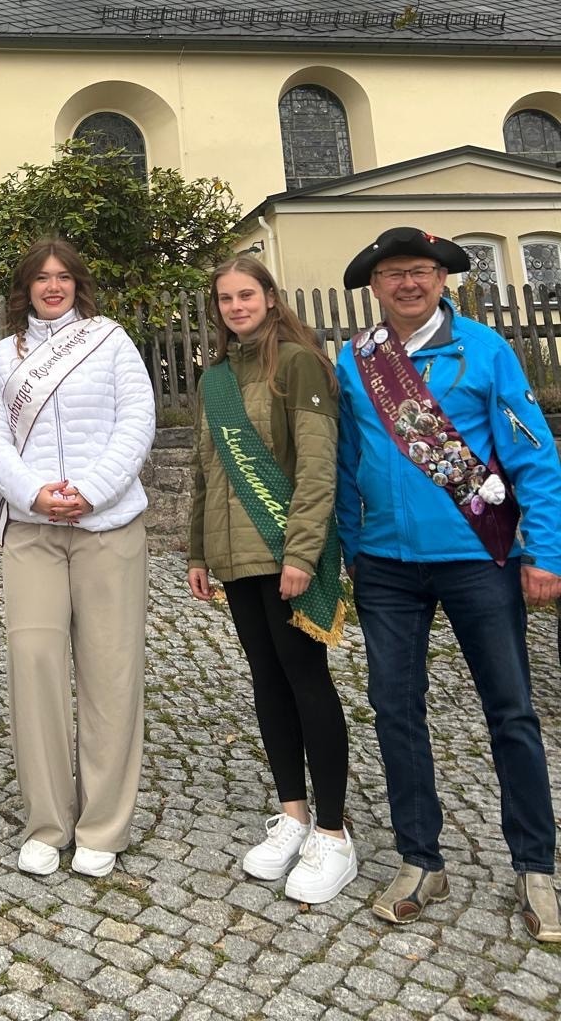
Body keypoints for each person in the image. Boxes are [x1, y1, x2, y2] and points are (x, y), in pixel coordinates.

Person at [337, 226, 561, 940]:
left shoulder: (486, 351)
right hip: (384, 564)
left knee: (511, 710)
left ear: (443, 279)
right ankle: (419, 859)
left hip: (477, 558)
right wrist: (351, 545)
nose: (409, 283)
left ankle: (536, 866)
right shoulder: (356, 360)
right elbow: (345, 458)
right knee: (395, 709)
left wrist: (545, 551)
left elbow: (534, 457)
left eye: (422, 271)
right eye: (394, 273)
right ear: (375, 285)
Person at [0, 238, 155, 878]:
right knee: (35, 668)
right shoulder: (4, 356)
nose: (53, 287)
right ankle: (47, 823)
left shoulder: (111, 342)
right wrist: (32, 492)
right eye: (41, 278)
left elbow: (137, 421)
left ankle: (103, 826)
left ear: (78, 283)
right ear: (25, 288)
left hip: (108, 526)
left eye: (63, 277)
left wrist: (92, 491)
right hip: (32, 531)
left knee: (111, 673)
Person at [188, 254, 356, 903]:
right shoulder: (215, 379)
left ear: (268, 296)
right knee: (267, 682)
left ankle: (334, 832)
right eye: (225, 298)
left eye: (246, 295)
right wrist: (198, 553)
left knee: (307, 682)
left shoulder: (298, 363)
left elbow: (317, 467)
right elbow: (205, 472)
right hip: (235, 557)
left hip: (286, 551)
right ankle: (293, 815)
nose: (236, 306)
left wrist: (302, 554)